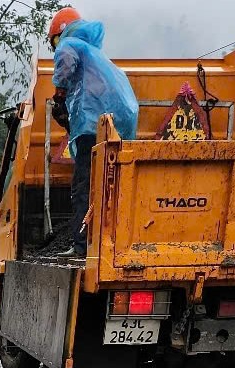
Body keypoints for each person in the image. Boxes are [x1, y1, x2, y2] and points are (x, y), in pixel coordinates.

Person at [48, 7, 139, 258]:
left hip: (93, 127)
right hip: (118, 128)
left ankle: (80, 247)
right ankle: (113, 243)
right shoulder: (97, 57)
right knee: (111, 188)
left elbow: (65, 64)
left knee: (83, 186)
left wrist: (59, 94)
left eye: (54, 40)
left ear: (62, 33)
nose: (56, 46)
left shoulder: (70, 45)